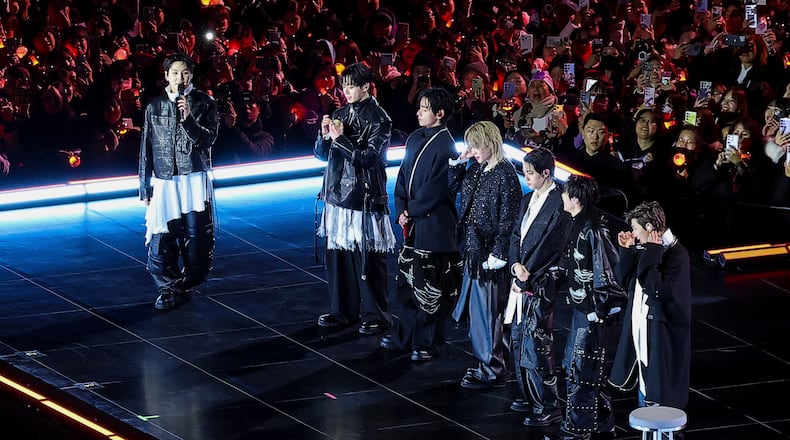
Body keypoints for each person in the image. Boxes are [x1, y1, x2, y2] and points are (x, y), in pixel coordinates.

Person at [380, 87, 462, 361]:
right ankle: (403, 336)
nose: (418, 112)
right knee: (407, 282)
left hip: (434, 226)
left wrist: (411, 210)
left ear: (439, 113)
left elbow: (437, 189)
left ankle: (428, 343)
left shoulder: (447, 145)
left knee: (431, 286)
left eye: (424, 108)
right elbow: (403, 176)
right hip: (414, 222)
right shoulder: (415, 138)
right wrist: (402, 207)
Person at [314, 62, 396, 334]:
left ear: (365, 87)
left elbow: (368, 158)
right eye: (344, 85)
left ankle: (378, 314)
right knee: (338, 255)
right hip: (337, 194)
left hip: (365, 196)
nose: (346, 91)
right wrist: (324, 136)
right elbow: (320, 155)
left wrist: (340, 140)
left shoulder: (380, 118)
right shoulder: (340, 112)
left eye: (351, 86)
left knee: (370, 259)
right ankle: (343, 310)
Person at [138, 53, 219, 311]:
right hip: (164, 178)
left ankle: (187, 284)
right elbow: (146, 147)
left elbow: (208, 140)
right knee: (162, 235)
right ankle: (169, 287)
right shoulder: (155, 105)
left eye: (184, 73)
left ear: (191, 75)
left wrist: (188, 120)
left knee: (197, 237)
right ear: (166, 75)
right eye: (175, 73)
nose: (180, 78)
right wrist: (144, 185)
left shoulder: (204, 102)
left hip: (193, 177)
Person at [450, 121, 521, 388]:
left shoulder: (505, 174)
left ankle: (493, 368)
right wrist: (459, 162)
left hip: (490, 256)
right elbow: (452, 188)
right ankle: (490, 363)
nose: (473, 150)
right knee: (482, 313)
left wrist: (499, 252)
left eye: (476, 145)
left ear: (490, 143)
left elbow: (508, 219)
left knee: (490, 314)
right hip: (473, 250)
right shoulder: (477, 169)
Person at [505, 147, 570, 426]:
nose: (526, 176)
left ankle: (548, 402)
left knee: (537, 342)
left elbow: (551, 244)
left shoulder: (559, 203)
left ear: (546, 173)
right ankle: (527, 394)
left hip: (540, 281)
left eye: (530, 172)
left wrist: (527, 272)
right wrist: (514, 264)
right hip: (521, 276)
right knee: (518, 338)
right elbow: (516, 234)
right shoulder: (528, 198)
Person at [558, 175, 625, 440]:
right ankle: (603, 424)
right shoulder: (577, 223)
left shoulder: (594, 227)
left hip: (592, 312)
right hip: (581, 309)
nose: (561, 197)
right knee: (581, 366)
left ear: (575, 198)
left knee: (582, 368)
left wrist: (601, 307)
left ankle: (579, 429)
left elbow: (606, 271)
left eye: (565, 193)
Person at [608, 201, 692, 411]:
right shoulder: (648, 249)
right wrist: (626, 251)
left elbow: (655, 288)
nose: (633, 234)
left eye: (635, 228)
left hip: (660, 335)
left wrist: (652, 253)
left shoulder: (676, 254)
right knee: (645, 390)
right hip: (640, 330)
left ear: (648, 228)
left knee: (658, 396)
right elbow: (625, 281)